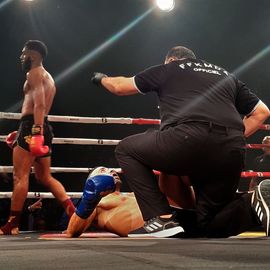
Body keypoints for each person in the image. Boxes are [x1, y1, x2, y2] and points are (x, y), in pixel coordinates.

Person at [91, 45, 270, 237]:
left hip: (188, 137)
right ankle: (254, 202)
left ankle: (159, 218)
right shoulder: (226, 75)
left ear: (171, 60)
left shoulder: (169, 69)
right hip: (231, 149)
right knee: (209, 223)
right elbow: (262, 112)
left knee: (126, 149)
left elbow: (119, 87)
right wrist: (229, 139)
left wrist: (102, 79)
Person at [0, 40, 75, 235]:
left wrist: (35, 131)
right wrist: (38, 130)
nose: (21, 57)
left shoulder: (34, 73)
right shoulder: (49, 77)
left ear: (34, 54)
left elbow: (39, 105)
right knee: (44, 176)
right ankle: (74, 214)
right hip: (42, 125)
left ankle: (12, 224)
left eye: (24, 53)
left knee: (20, 176)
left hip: (33, 125)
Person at [66, 168, 197, 238]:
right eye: (102, 171)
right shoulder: (99, 203)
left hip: (182, 216)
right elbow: (72, 232)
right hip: (171, 224)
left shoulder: (134, 194)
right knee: (169, 167)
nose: (111, 172)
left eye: (111, 170)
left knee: (172, 162)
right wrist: (90, 196)